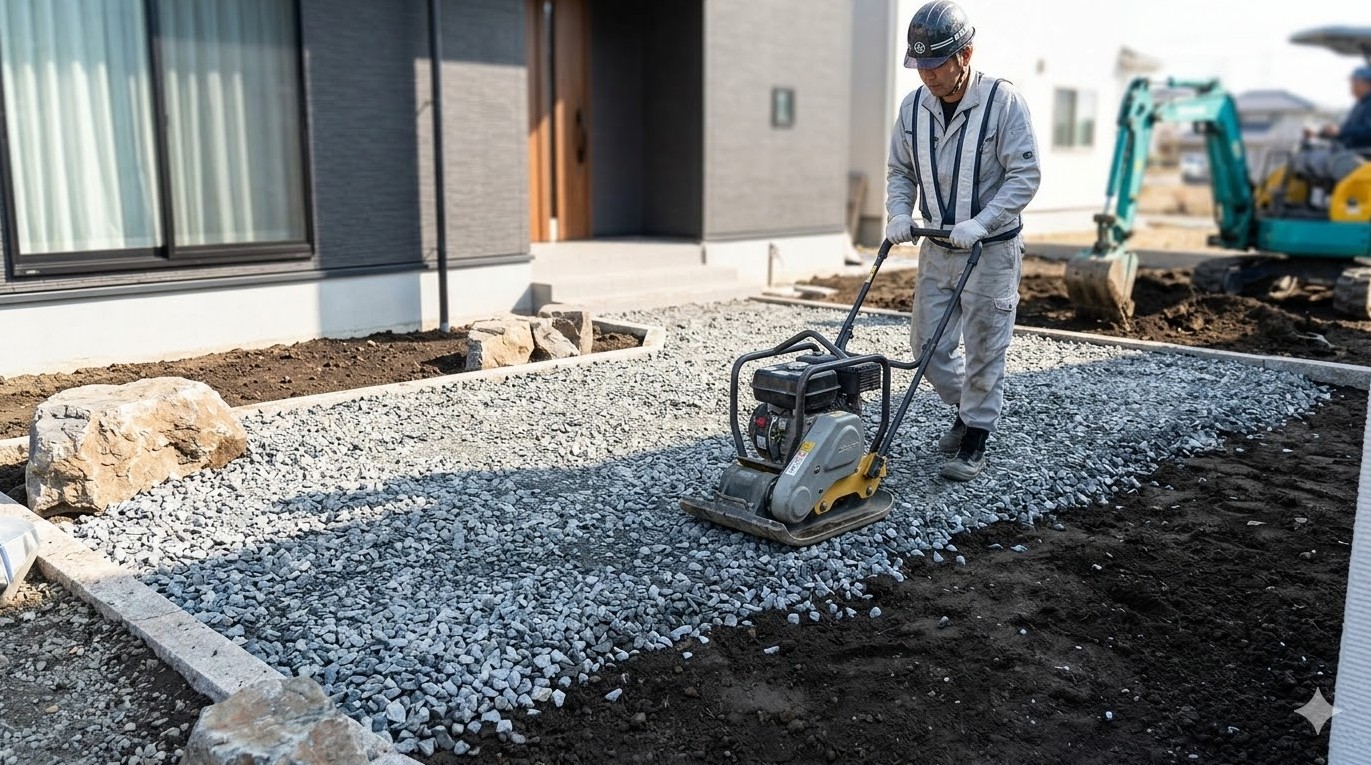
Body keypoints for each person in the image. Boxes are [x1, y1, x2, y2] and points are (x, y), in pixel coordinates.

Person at [885, 0, 1041, 481]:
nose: (927, 76)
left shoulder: (1002, 101)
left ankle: (975, 436)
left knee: (985, 346)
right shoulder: (913, 107)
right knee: (926, 349)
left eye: (936, 65)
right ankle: (971, 409)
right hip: (937, 248)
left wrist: (985, 220)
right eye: (920, 66)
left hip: (989, 251)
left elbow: (1025, 174)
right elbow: (900, 170)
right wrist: (897, 212)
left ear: (965, 54)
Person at [1313, 66, 1371, 150]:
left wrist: (1340, 131)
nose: (1351, 87)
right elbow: (1347, 130)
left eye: (1353, 82)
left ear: (1365, 84)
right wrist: (1326, 133)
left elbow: (1368, 131)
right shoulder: (1360, 104)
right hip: (1351, 152)